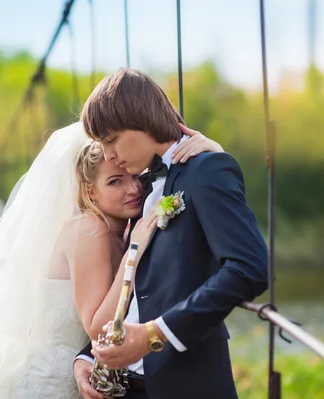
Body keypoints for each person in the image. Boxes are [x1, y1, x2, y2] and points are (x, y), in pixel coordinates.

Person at [0, 118, 223, 398]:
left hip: (76, 374)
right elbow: (98, 327)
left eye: (135, 176)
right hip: (47, 381)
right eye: (115, 182)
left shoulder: (119, 230)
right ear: (90, 191)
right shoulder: (91, 229)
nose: (134, 189)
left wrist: (215, 153)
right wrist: (133, 255)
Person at [73, 68, 269, 398]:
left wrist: (154, 334)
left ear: (140, 121)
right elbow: (140, 291)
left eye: (110, 140)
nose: (108, 155)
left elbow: (249, 269)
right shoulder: (144, 189)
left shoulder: (206, 169)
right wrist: (87, 355)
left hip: (188, 384)